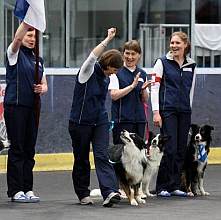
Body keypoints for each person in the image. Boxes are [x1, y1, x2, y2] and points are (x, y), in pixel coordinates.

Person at [68, 28, 123, 207]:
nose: (114, 73)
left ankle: (109, 192)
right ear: (107, 64)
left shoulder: (108, 78)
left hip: (99, 120)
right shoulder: (87, 72)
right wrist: (108, 38)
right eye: (113, 69)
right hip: (80, 122)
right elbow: (92, 56)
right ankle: (83, 193)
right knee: (82, 158)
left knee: (102, 154)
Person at [4, 22, 48, 202]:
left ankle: (27, 188)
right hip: (16, 106)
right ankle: (15, 191)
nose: (32, 39)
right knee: (18, 148)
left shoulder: (38, 59)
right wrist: (27, 22)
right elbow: (16, 38)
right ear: (23, 37)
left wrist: (42, 89)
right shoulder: (13, 54)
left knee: (29, 149)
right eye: (29, 36)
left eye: (35, 37)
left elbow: (44, 84)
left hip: (33, 108)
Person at [151, 31, 196, 197]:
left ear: (185, 45)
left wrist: (188, 109)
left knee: (180, 149)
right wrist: (156, 112)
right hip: (167, 110)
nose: (174, 46)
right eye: (172, 43)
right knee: (169, 148)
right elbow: (154, 88)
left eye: (178, 43)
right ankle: (162, 186)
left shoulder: (192, 65)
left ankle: (175, 185)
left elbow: (190, 90)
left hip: (184, 112)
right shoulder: (161, 62)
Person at [109, 40, 150, 145]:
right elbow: (114, 95)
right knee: (121, 154)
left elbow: (145, 99)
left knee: (138, 154)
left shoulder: (143, 73)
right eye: (127, 53)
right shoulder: (116, 71)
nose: (130, 57)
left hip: (139, 120)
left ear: (139, 55)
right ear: (123, 54)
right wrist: (132, 86)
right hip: (122, 121)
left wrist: (143, 89)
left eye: (133, 54)